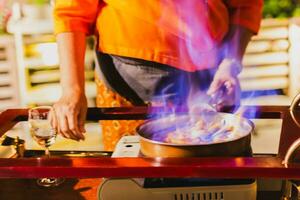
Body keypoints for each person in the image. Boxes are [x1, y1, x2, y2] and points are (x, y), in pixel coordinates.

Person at [52, 0, 263, 150]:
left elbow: (245, 6)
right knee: (133, 180)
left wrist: (230, 63)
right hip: (128, 86)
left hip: (209, 81)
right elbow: (71, 12)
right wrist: (71, 89)